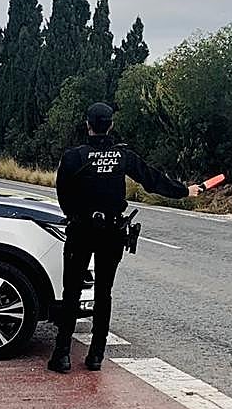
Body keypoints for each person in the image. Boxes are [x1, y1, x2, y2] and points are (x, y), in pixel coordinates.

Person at [48, 102, 201, 373]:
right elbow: (152, 179)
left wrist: (75, 216)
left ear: (88, 125)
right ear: (111, 125)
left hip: (81, 231)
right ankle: (96, 355)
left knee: (71, 292)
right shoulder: (123, 156)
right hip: (112, 233)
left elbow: (63, 193)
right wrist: (184, 191)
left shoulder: (73, 156)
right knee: (103, 292)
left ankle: (61, 355)